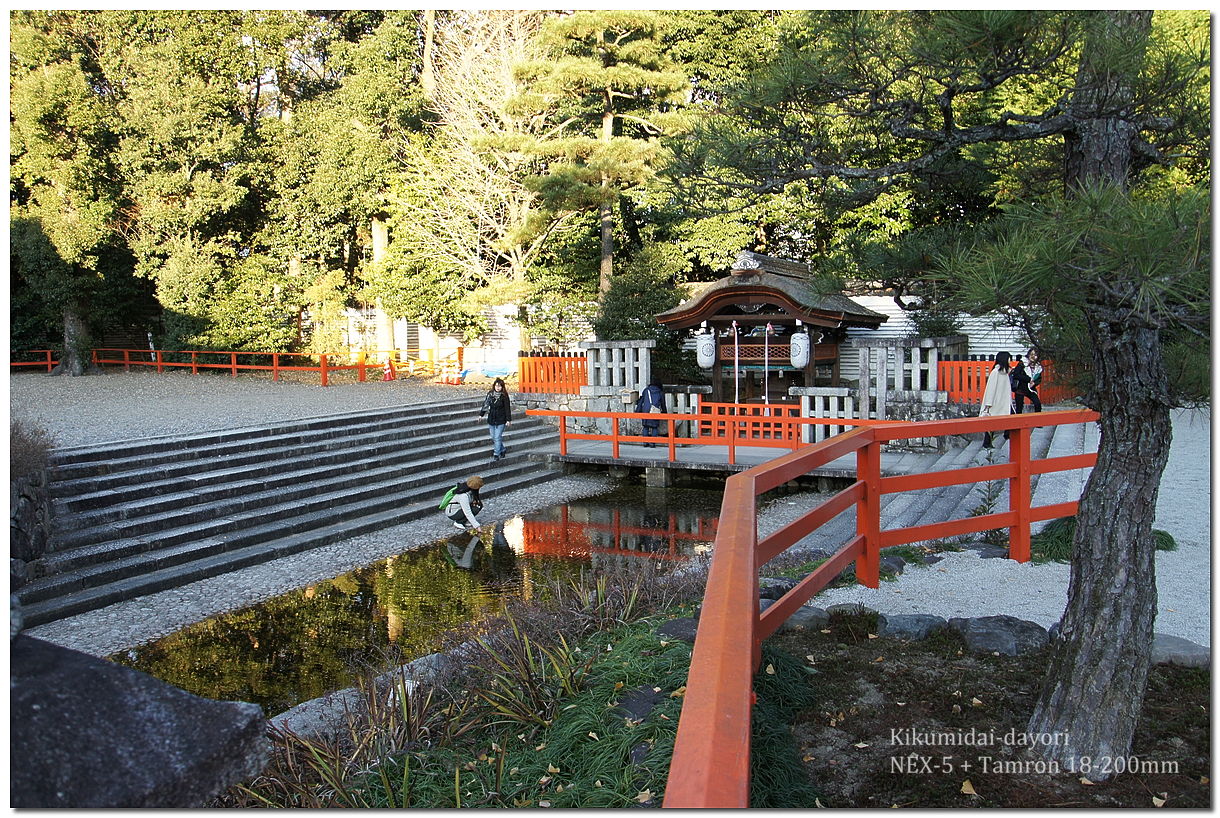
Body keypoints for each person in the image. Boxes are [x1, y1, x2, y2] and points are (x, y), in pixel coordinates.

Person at [979, 351, 1013, 449]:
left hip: (1003, 402)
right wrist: (988, 403)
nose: (1010, 360)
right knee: (991, 423)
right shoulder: (995, 373)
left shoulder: (1005, 373)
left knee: (1003, 420)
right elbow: (991, 389)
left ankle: (1005, 435)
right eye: (1009, 358)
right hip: (995, 402)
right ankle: (987, 442)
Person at [479, 378, 512, 461]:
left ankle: (496, 454)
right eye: (496, 386)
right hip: (492, 418)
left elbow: (507, 408)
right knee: (494, 437)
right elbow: (485, 404)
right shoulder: (490, 394)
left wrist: (508, 420)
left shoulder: (504, 396)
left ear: (502, 387)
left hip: (501, 419)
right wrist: (481, 415)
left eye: (500, 386)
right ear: (494, 386)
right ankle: (503, 449)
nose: (498, 388)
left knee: (497, 437)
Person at [635, 378, 666, 448]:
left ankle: (645, 442)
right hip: (654, 410)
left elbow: (641, 401)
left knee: (645, 427)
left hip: (645, 410)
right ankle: (652, 443)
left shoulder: (646, 390)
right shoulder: (660, 392)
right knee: (654, 427)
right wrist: (665, 413)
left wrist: (637, 411)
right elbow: (663, 404)